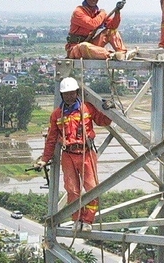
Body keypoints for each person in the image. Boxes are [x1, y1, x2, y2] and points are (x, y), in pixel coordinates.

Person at [34, 77, 112, 232]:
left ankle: (88, 221)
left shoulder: (87, 109)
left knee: (92, 188)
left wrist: (108, 109)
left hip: (86, 153)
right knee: (72, 190)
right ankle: (77, 219)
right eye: (66, 94)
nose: (69, 96)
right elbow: (51, 139)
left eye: (72, 93)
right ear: (62, 95)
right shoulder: (57, 115)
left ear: (76, 92)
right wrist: (44, 159)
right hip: (68, 155)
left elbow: (104, 121)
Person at [66, 0, 133, 60]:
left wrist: (117, 12)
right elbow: (92, 24)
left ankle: (122, 53)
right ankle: (111, 55)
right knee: (84, 46)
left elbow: (113, 26)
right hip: (76, 49)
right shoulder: (78, 12)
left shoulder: (97, 13)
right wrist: (103, 13)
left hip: (91, 44)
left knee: (110, 31)